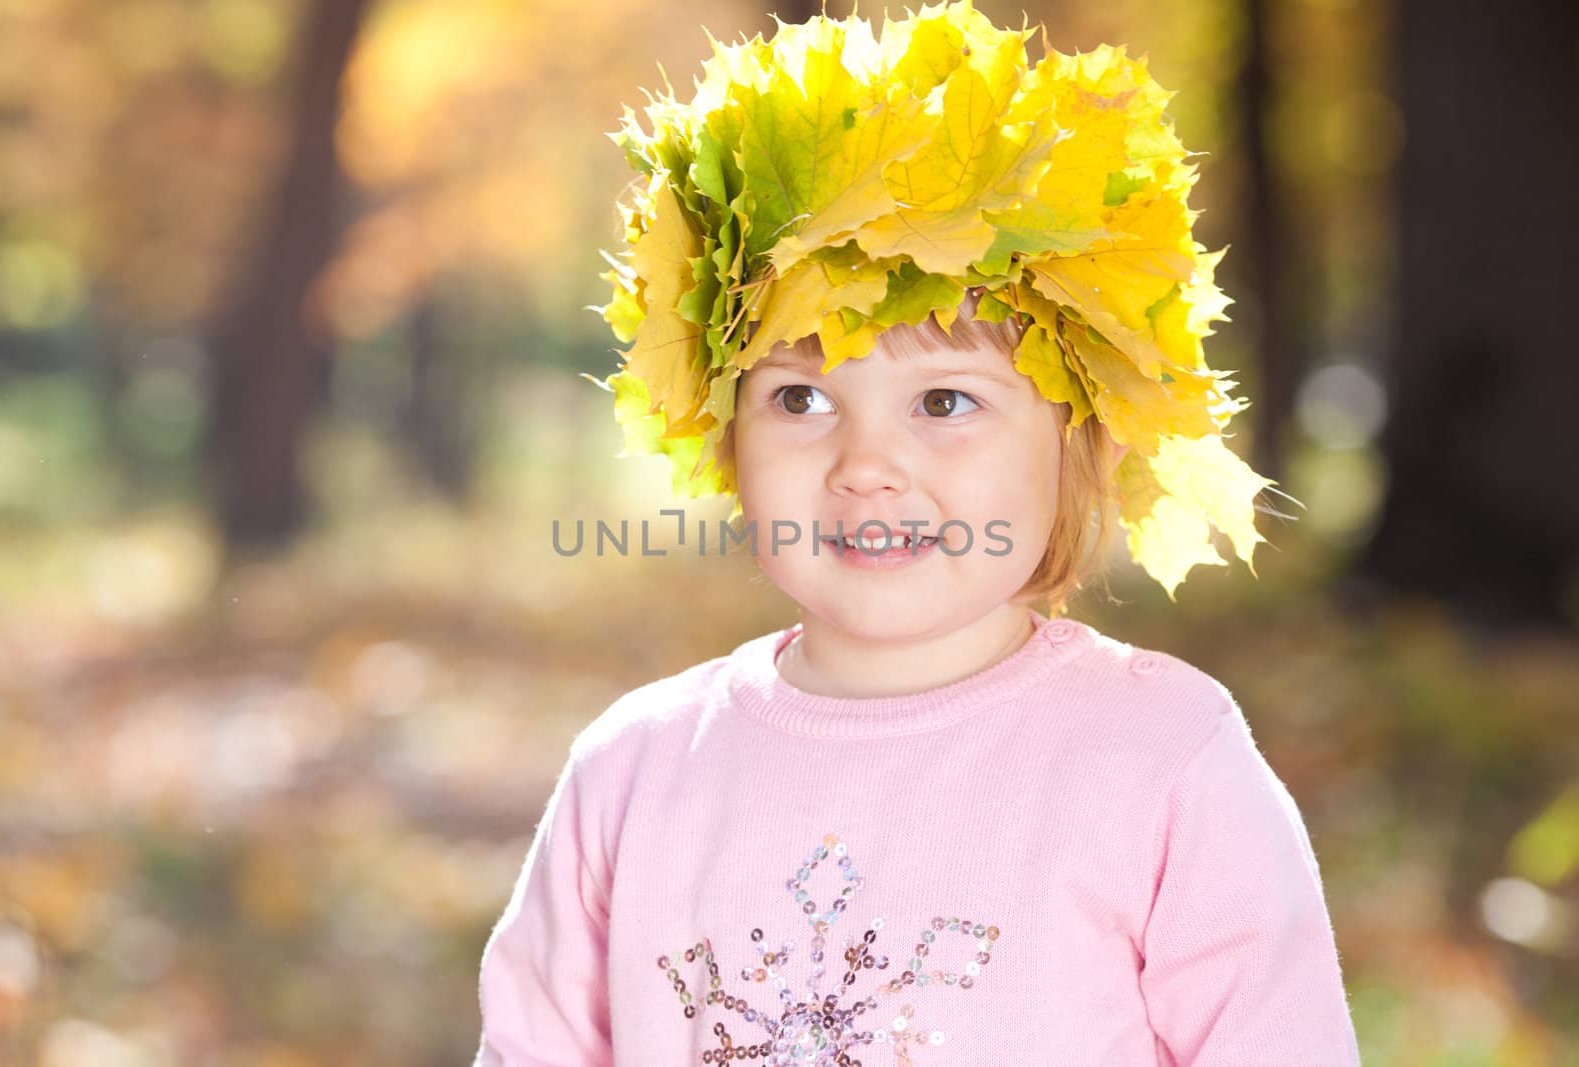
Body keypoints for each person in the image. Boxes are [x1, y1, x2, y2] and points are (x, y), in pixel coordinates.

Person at [474, 2, 1362, 1063]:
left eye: (944, 402)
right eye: (799, 401)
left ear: (1075, 440)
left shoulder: (1162, 760)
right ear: (722, 434)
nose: (863, 465)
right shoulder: (633, 770)